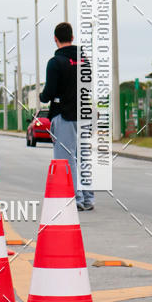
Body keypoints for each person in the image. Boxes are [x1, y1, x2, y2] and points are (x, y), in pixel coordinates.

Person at [40, 21, 95, 211]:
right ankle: (88, 198)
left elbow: (49, 92)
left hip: (64, 115)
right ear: (72, 38)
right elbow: (87, 87)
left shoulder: (55, 63)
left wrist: (42, 96)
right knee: (83, 156)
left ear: (55, 39)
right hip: (84, 115)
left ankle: (75, 199)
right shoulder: (85, 61)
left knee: (66, 158)